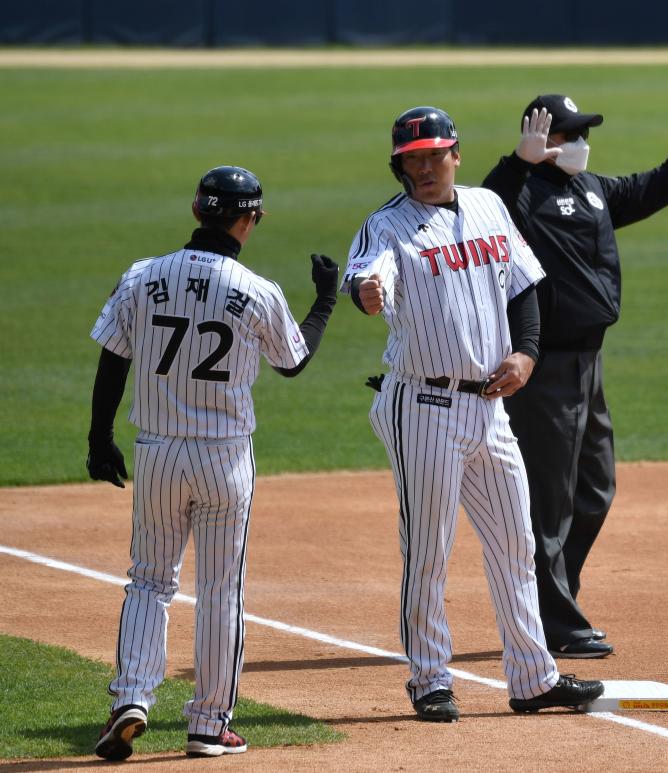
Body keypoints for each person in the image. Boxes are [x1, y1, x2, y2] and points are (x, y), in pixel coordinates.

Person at [343, 106, 604, 722]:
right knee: (429, 549)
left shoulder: (489, 205)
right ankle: (430, 679)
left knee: (516, 545)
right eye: (414, 160)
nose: (426, 167)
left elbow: (522, 285)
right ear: (400, 167)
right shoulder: (386, 226)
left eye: (435, 155)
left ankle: (533, 677)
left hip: (490, 409)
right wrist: (366, 292)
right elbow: (366, 275)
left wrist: (527, 353)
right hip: (424, 406)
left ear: (455, 154)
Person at [88, 166, 339, 760]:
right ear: (250, 219)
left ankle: (131, 697)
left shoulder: (142, 277)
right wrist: (326, 299)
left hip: (156, 453)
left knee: (149, 580)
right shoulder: (256, 289)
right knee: (222, 588)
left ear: (198, 210)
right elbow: (292, 362)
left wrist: (100, 438)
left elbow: (112, 359)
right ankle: (208, 723)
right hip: (224, 459)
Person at [481, 95, 668, 658]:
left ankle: (551, 600)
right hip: (543, 366)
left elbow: (643, 190)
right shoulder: (516, 199)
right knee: (549, 499)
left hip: (589, 363)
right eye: (568, 134)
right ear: (540, 139)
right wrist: (518, 163)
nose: (579, 142)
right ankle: (553, 620)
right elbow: (482, 207)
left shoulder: (590, 189)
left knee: (595, 486)